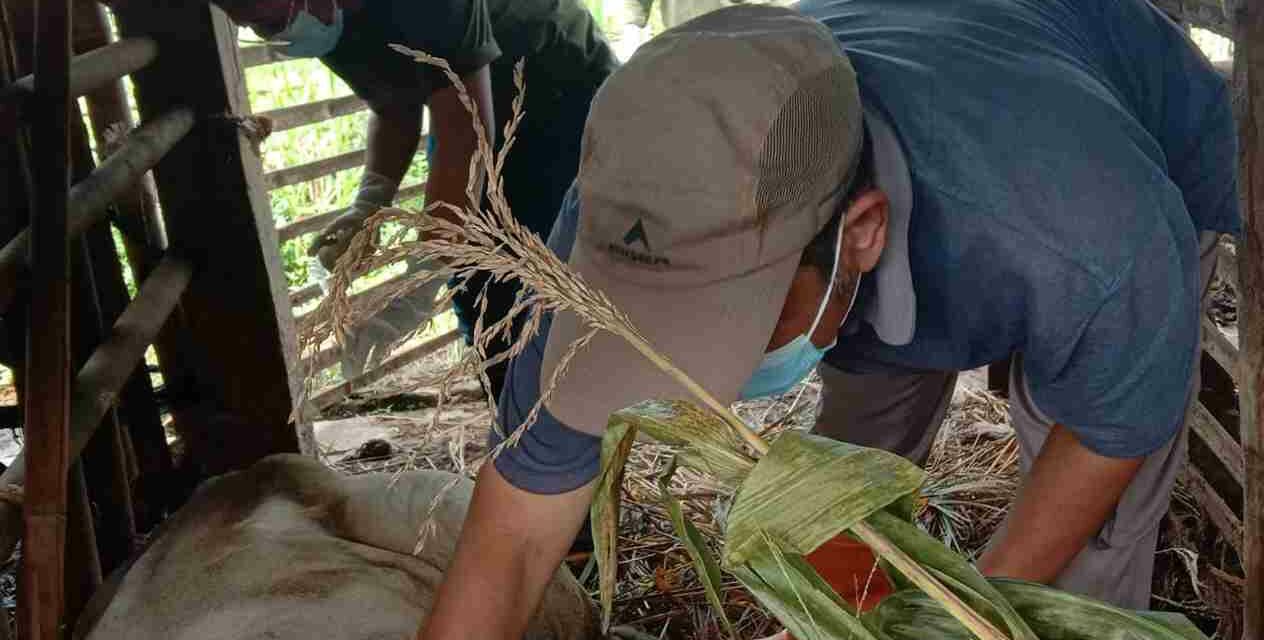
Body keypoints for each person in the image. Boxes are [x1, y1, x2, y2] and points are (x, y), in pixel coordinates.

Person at [417, 1, 1238, 637]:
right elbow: (515, 535)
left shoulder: (1092, 233)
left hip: (1109, 142)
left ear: (863, 235)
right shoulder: (631, 214)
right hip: (899, 189)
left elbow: (1105, 435)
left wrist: (966, 617)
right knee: (846, 480)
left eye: (731, 320)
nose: (688, 378)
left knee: (1082, 552)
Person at [229, 0, 618, 394]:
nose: (275, 35)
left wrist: (418, 286)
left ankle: (574, 403)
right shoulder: (326, 20)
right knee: (474, 279)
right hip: (468, 88)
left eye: (271, 21)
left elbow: (465, 135)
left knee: (530, 261)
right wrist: (369, 202)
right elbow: (392, 106)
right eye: (255, 28)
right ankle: (514, 406)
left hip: (555, 79)